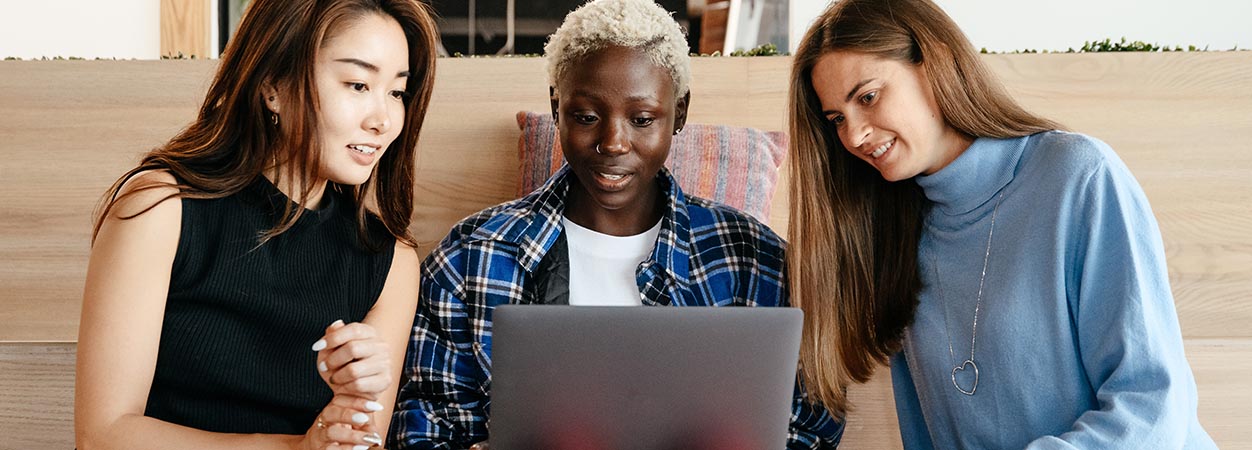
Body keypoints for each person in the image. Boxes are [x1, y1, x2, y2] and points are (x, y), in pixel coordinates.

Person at [389, 0, 844, 448]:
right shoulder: (471, 256)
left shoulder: (756, 259)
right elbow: (424, 423)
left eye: (643, 119)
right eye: (586, 117)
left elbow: (813, 423)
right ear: (556, 107)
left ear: (679, 113)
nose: (613, 142)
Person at [785, 0, 1216, 448]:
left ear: (933, 64)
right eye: (837, 119)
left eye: (868, 97)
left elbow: (1152, 405)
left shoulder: (1077, 177)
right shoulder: (893, 234)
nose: (854, 136)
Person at [74, 0, 438, 448]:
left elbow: (358, 443)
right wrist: (295, 447)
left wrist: (349, 411)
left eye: (397, 92)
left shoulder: (390, 261)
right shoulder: (160, 207)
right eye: (358, 84)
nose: (383, 120)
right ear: (273, 87)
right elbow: (103, 434)